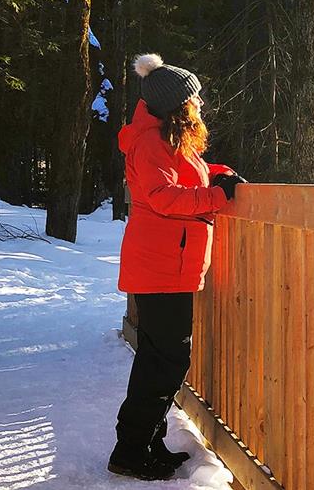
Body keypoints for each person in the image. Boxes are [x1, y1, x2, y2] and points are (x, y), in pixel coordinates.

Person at [108, 53, 243, 481]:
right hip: (160, 268)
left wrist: (218, 174)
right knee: (165, 360)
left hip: (168, 264)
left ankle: (147, 442)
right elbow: (166, 198)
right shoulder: (150, 142)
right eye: (195, 99)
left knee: (159, 358)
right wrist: (219, 198)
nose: (200, 104)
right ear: (176, 105)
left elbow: (187, 177)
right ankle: (131, 450)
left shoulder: (163, 136)